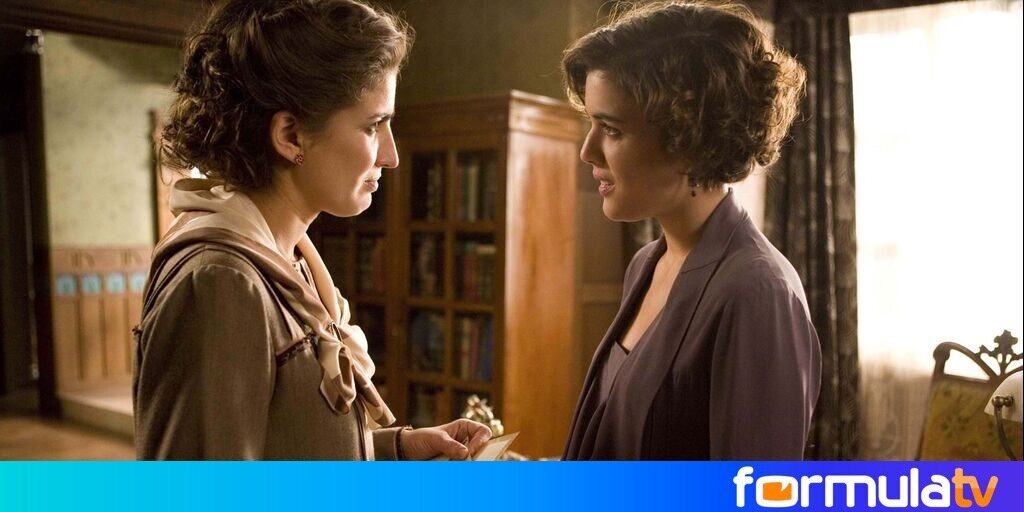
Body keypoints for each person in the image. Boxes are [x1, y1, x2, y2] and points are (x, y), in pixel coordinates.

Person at [133, 0, 490, 460]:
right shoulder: (221, 281)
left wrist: (397, 450)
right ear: (290, 136)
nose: (391, 156)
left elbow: (286, 447)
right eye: (373, 126)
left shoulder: (292, 259)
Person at [561, 1, 821, 460]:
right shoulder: (647, 263)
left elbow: (753, 490)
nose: (588, 151)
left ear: (690, 138)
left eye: (612, 129)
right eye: (591, 124)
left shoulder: (758, 293)